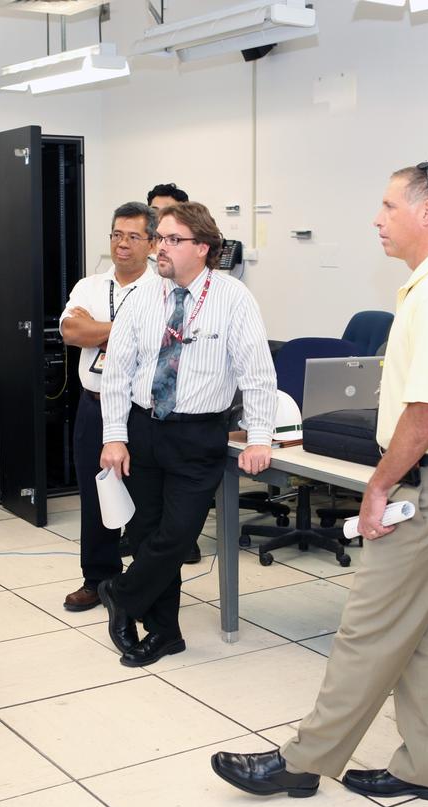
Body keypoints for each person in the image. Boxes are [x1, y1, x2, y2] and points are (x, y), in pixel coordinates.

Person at [211, 162, 428, 802]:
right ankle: (424, 766)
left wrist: (378, 486)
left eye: (388, 206)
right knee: (424, 629)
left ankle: (303, 760)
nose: (377, 218)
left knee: (368, 625)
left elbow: (427, 410)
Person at [97, 201, 276, 666]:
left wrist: (260, 437)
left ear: (203, 248)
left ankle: (122, 592)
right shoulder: (143, 297)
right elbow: (117, 372)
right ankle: (164, 633)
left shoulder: (233, 298)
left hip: (198, 434)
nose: (160, 248)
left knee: (177, 536)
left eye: (173, 240)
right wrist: (114, 436)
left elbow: (257, 372)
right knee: (146, 533)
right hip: (143, 429)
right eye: (159, 238)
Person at [58, 202, 161, 612]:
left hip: (139, 411)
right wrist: (124, 332)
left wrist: (97, 331)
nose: (122, 244)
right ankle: (98, 577)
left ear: (152, 243)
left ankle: (142, 583)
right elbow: (70, 330)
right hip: (93, 404)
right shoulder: (90, 285)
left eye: (133, 236)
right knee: (94, 494)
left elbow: (155, 341)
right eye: (117, 234)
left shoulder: (162, 289)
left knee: (143, 498)